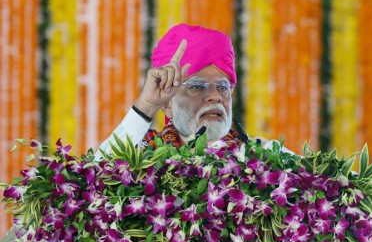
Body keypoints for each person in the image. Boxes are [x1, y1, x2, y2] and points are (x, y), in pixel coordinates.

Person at [99, 23, 271, 154]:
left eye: (222, 87)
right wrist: (146, 106)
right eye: (197, 86)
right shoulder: (143, 156)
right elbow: (95, 178)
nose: (215, 96)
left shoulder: (265, 157)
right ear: (167, 105)